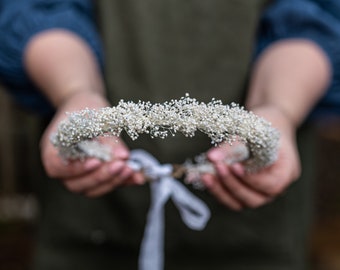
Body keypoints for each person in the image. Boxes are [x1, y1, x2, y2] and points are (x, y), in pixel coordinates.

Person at [0, 0, 340, 269]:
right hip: (86, 232)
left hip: (256, 238)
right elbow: (37, 7)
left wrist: (277, 107)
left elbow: (312, 20)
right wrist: (74, 92)